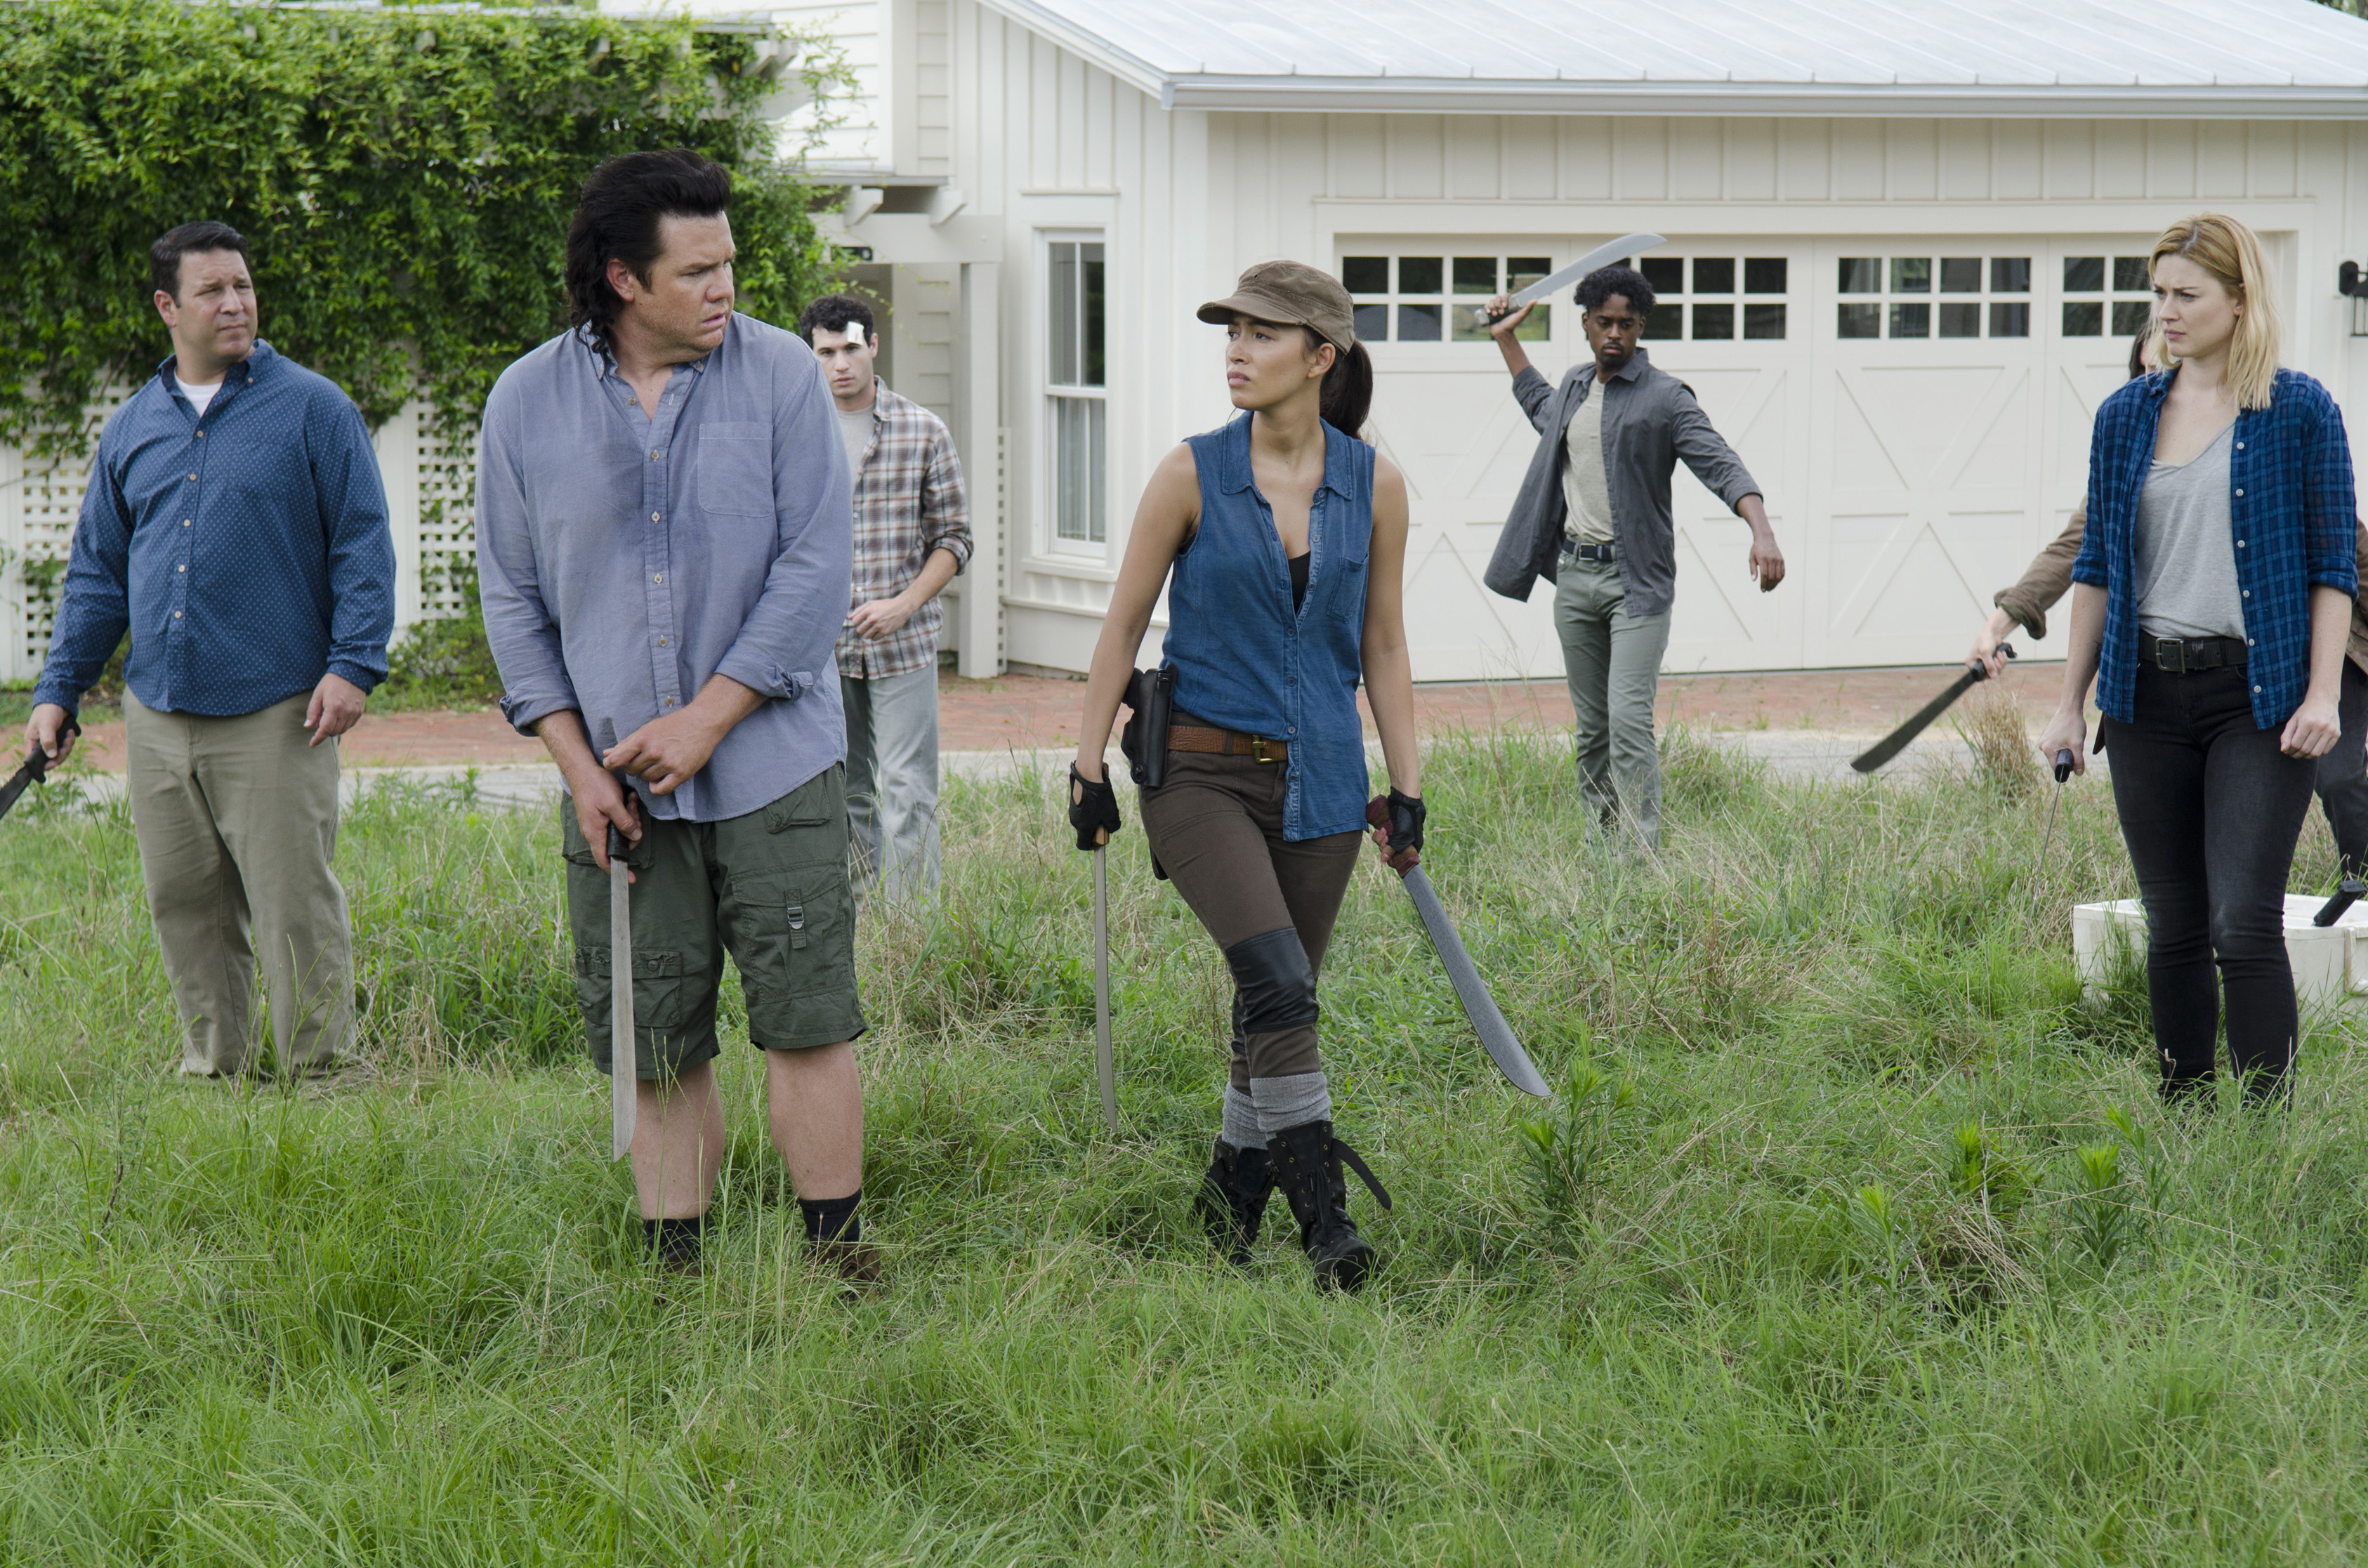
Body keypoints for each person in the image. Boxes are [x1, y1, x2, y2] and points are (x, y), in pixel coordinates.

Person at [475, 150, 872, 1276]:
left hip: (775, 765)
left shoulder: (787, 377)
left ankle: (838, 1261)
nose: (725, 287)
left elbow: (813, 568)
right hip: (614, 782)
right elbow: (510, 597)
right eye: (697, 270)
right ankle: (675, 1278)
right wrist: (575, 767)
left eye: (730, 263)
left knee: (808, 1015)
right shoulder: (524, 401)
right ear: (622, 279)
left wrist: (709, 717)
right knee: (652, 1035)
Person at [1066, 261, 1419, 1292]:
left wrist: (1405, 785)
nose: (1236, 350)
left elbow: (1386, 647)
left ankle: (1228, 1196)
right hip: (1199, 774)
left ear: (1322, 357)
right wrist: (1086, 763)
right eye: (1231, 332)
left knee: (1275, 1005)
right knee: (1275, 980)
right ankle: (1326, 1226)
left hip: (1322, 785)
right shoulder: (1191, 472)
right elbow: (1124, 623)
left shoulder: (1374, 485)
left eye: (1262, 335)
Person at [26, 220, 395, 1080]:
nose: (235, 304)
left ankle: (326, 1081)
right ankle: (216, 1073)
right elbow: (96, 574)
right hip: (156, 714)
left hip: (277, 710)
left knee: (294, 907)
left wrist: (353, 664)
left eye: (243, 286)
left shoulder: (314, 408)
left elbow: (363, 544)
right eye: (212, 291)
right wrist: (59, 689)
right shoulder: (131, 427)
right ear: (168, 307)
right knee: (185, 906)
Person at [2037, 213, 2358, 1106]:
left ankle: (2263, 1139)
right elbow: (2098, 565)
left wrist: (2325, 693)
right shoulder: (2126, 416)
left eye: (2187, 295)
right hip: (2143, 698)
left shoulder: (2299, 410)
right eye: (2160, 295)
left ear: (2239, 300)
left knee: (2240, 921)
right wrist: (2071, 703)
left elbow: (2335, 565)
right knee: (2172, 924)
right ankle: (2184, 1117)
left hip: (2258, 700)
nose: (2166, 313)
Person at [1974, 330, 2368, 877]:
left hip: (2307, 642)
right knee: (2182, 903)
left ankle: (2359, 882)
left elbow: (2342, 550)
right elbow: (2084, 548)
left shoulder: (2278, 428)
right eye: (2153, 369)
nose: (2167, 374)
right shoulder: (2134, 446)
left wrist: (2324, 682)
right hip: (2172, 681)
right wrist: (2005, 618)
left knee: (2341, 775)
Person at [1481, 266, 1784, 850]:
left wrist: (1761, 530)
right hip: (1574, 580)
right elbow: (1540, 407)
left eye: (1625, 323)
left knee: (1627, 723)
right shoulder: (1573, 387)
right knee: (1593, 731)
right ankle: (1603, 853)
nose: (1614, 333)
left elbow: (1720, 464)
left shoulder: (1665, 398)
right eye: (1603, 323)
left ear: (1642, 325)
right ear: (1587, 325)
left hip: (1635, 585)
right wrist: (1507, 339)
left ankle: (1641, 856)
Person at [798, 294, 972, 902]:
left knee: (906, 788)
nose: (840, 363)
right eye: (825, 352)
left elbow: (954, 538)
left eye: (850, 348)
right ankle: (859, 919)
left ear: (874, 345)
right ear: (811, 356)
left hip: (904, 643)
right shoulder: (795, 432)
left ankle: (909, 929)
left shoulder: (923, 430)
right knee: (844, 789)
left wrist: (903, 603)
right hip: (822, 646)